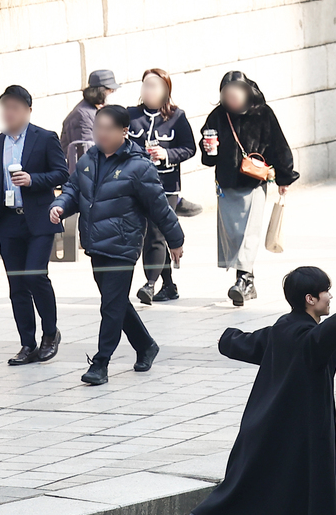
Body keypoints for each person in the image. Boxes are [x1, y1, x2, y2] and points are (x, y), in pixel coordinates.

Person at [141, 267, 336, 515]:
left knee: (245, 506)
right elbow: (316, 344)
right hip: (281, 439)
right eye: (327, 293)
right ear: (310, 299)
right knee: (248, 507)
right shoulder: (303, 335)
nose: (330, 298)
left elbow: (238, 343)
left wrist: (229, 334)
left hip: (264, 433)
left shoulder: (281, 330)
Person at [49, 105, 186, 386]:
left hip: (123, 245)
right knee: (116, 303)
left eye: (107, 129)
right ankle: (146, 345)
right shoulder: (90, 158)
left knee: (110, 306)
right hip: (95, 242)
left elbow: (159, 208)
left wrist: (176, 240)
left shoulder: (139, 166)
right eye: (98, 127)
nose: (100, 134)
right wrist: (60, 205)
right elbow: (74, 189)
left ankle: (100, 363)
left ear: (124, 132)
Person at [0, 84, 69, 366]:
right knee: (17, 284)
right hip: (8, 220)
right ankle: (26, 343)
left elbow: (62, 173)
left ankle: (50, 333)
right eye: (5, 107)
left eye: (15, 107)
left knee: (35, 275)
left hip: (38, 218)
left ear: (28, 111)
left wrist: (33, 180)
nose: (9, 113)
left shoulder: (45, 138)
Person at [199, 71, 297, 307]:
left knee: (248, 232)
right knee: (232, 234)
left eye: (236, 94)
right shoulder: (217, 116)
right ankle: (247, 281)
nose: (231, 99)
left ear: (246, 92)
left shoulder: (263, 113)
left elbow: (278, 145)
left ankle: (243, 280)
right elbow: (208, 158)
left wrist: (284, 177)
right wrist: (208, 148)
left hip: (253, 182)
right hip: (225, 184)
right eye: (227, 95)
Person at [129, 68, 199, 304]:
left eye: (154, 86)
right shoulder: (130, 115)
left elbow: (190, 148)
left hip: (166, 185)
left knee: (156, 233)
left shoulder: (177, 116)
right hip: (138, 185)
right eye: (145, 85)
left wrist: (166, 154)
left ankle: (150, 283)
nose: (148, 90)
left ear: (165, 91)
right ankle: (168, 284)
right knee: (147, 233)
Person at [60, 69, 118, 172]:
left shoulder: (96, 110)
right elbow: (86, 151)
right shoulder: (82, 115)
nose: (113, 94)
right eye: (111, 91)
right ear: (102, 92)